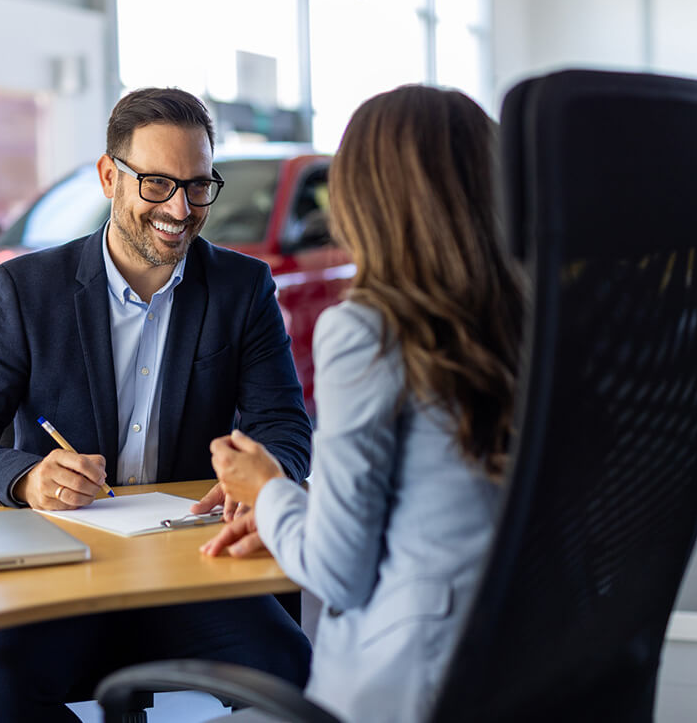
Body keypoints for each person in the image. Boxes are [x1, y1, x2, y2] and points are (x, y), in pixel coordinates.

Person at [0, 87, 313, 722]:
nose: (181, 209)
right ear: (109, 176)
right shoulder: (27, 290)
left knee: (284, 662)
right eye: (157, 184)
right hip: (67, 557)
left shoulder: (242, 288)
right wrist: (26, 477)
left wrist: (265, 477)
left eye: (197, 185)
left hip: (193, 559)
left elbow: (286, 426)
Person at [201, 84, 526, 722]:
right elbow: (443, 498)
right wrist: (294, 510)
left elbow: (337, 574)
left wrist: (267, 490)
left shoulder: (368, 330)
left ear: (365, 198)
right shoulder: (539, 322)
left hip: (411, 685)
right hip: (531, 667)